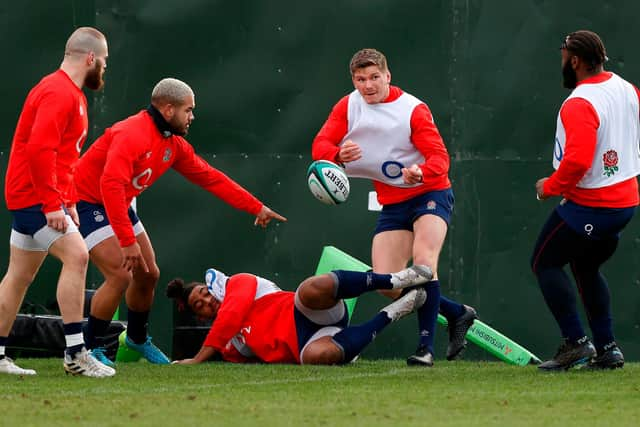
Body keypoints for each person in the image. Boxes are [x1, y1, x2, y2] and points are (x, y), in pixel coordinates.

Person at [74, 78, 287, 370]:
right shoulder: (131, 133)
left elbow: (210, 177)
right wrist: (127, 241)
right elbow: (109, 184)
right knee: (120, 275)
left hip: (118, 202)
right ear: (168, 108)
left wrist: (256, 206)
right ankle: (87, 350)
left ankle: (136, 338)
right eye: (188, 110)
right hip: (86, 201)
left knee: (148, 273)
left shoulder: (172, 144)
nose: (192, 117)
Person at [311, 48, 476, 366]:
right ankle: (457, 313)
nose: (368, 85)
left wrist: (421, 172)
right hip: (393, 204)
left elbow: (441, 160)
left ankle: (425, 349)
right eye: (361, 79)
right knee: (388, 283)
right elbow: (320, 146)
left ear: (388, 76)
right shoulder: (348, 106)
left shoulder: (411, 109)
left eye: (375, 77)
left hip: (430, 193)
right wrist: (336, 155)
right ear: (353, 80)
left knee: (424, 266)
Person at [0, 27, 115, 377]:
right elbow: (39, 150)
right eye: (105, 61)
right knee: (78, 256)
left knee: (19, 276)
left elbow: (64, 158)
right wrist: (53, 205)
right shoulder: (58, 92)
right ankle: (76, 354)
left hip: (39, 195)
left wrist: (71, 201)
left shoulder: (72, 94)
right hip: (34, 197)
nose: (105, 68)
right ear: (91, 58)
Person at [532, 30, 640, 371]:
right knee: (585, 266)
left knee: (544, 262)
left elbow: (578, 161)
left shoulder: (580, 102)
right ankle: (608, 349)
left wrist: (549, 186)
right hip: (625, 201)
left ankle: (576, 343)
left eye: (563, 55)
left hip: (593, 204)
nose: (562, 61)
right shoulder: (626, 88)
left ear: (574, 60)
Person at [168, 265, 433, 364]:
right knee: (318, 357)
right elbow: (252, 357)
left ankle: (393, 279)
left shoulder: (238, 282)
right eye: (198, 305)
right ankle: (395, 311)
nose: (206, 300)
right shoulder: (229, 346)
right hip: (309, 342)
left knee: (307, 289)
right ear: (200, 317)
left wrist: (197, 359)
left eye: (203, 292)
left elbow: (232, 315)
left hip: (310, 312)